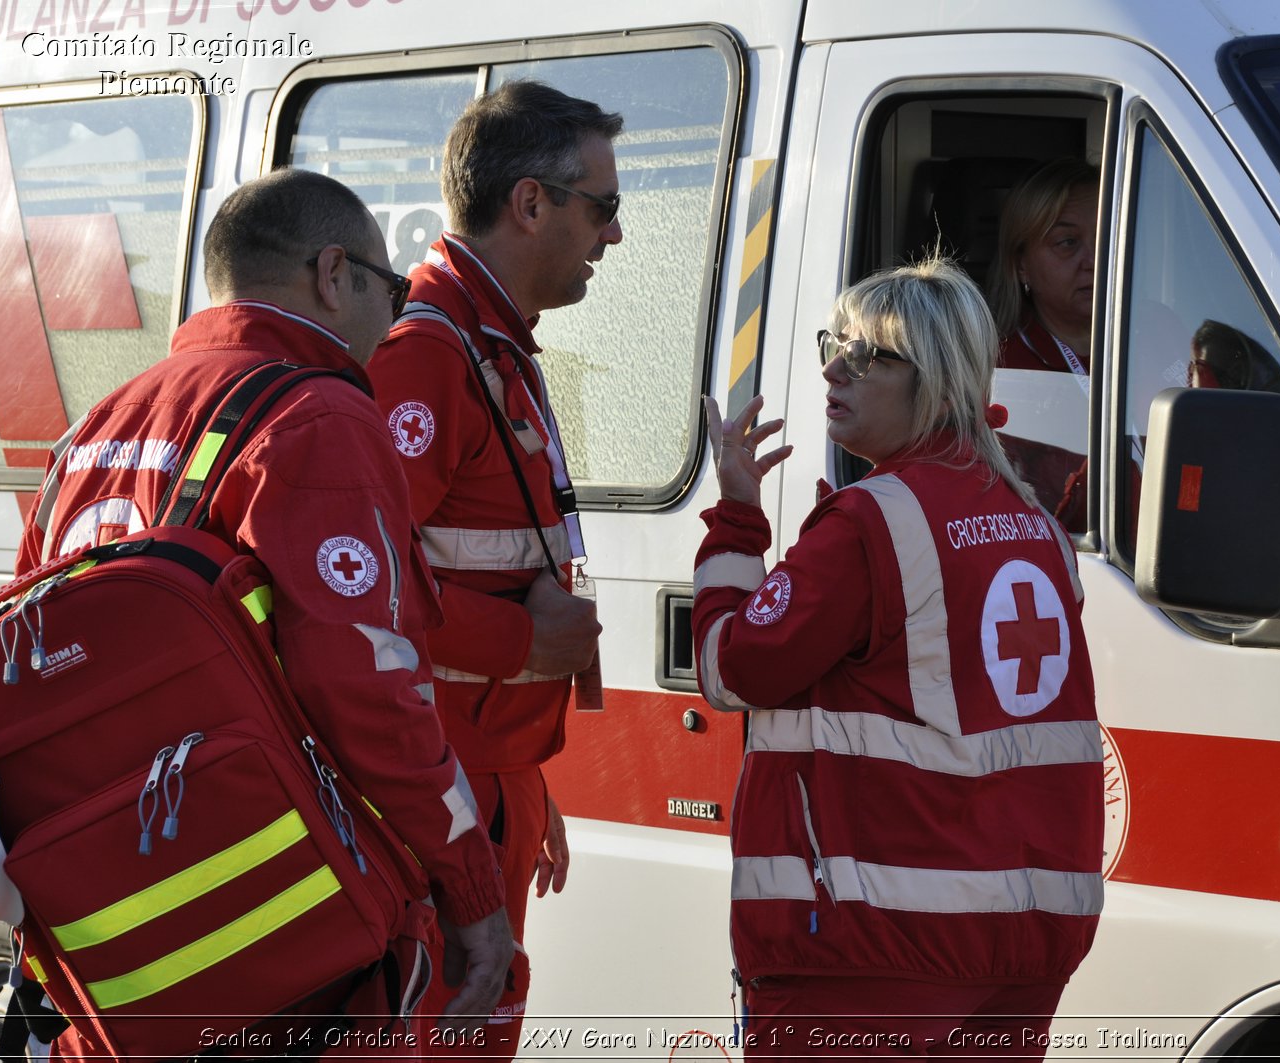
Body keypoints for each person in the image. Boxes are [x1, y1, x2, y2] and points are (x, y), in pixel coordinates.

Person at [14, 167, 513, 1058]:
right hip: (278, 947)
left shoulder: (92, 427)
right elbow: (365, 682)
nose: (395, 317)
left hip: (119, 950)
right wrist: (473, 892)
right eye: (390, 289)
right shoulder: (315, 415)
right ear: (333, 274)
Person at [695, 257, 1103, 1059]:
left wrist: (739, 519)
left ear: (939, 380)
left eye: (870, 355)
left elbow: (728, 667)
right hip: (1026, 937)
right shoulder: (1033, 521)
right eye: (834, 343)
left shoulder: (869, 523)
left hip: (875, 938)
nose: (832, 367)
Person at [366, 79, 617, 1057]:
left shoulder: (490, 343)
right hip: (442, 787)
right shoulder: (426, 353)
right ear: (529, 203)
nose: (613, 236)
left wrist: (527, 779)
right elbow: (356, 596)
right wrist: (522, 644)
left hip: (485, 776)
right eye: (602, 208)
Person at [986, 157, 1099, 531]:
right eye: (1068, 243)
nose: (1095, 260)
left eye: (1108, 238)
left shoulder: (1161, 327)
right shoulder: (1000, 369)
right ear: (1021, 265)